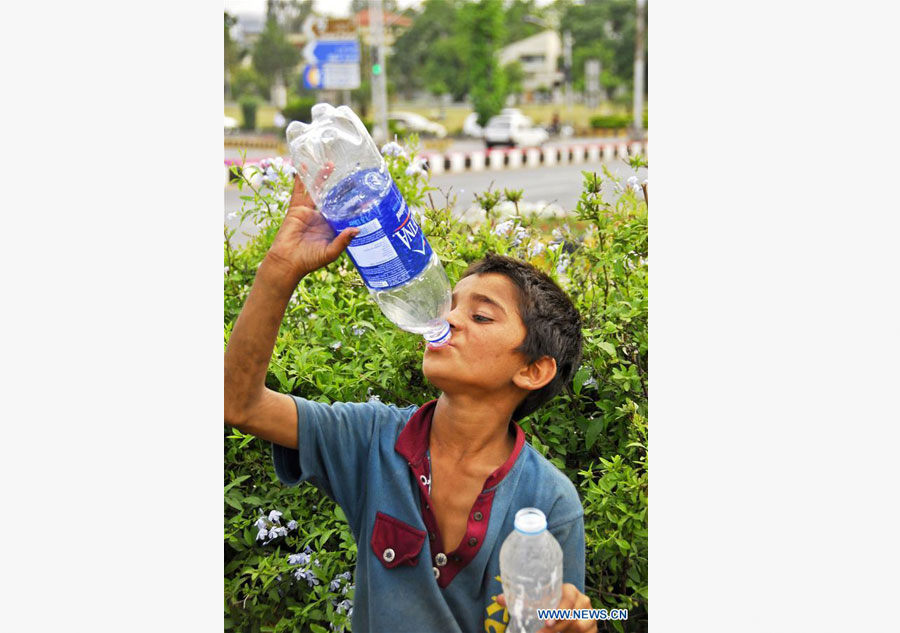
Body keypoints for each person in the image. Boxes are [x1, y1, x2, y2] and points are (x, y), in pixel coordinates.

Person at [224, 174, 598, 633]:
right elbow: (238, 404)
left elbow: (565, 617)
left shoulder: (551, 502)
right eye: (451, 303)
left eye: (480, 315)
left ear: (533, 370)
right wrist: (281, 267)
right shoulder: (370, 439)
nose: (449, 318)